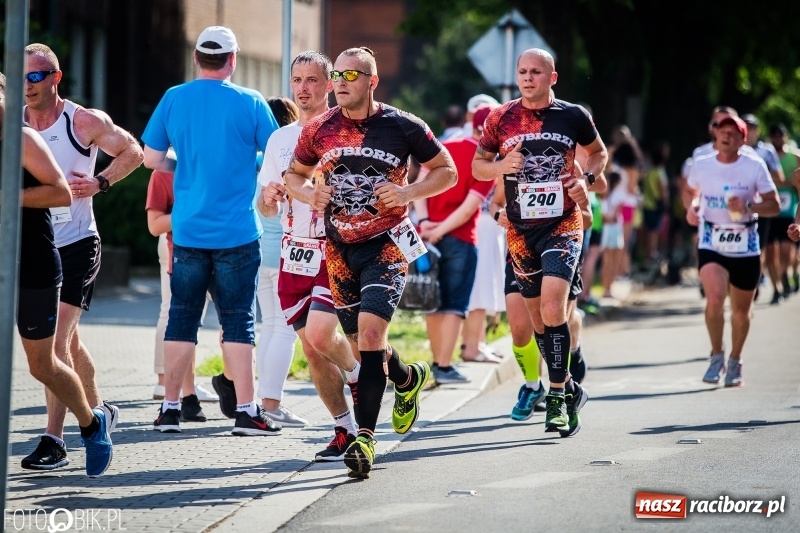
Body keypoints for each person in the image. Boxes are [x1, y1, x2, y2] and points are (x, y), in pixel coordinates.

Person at [284, 46, 457, 477]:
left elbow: (447, 170)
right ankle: (405, 377)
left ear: (372, 81)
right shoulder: (320, 128)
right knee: (366, 349)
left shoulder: (402, 126)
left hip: (386, 245)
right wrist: (309, 194)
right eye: (337, 76)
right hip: (339, 248)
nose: (341, 83)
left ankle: (365, 437)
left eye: (351, 76)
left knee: (372, 332)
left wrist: (407, 193)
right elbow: (293, 175)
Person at [141, 26, 281, 435]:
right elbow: (274, 158)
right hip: (238, 231)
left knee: (181, 319)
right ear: (233, 60)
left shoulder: (174, 98)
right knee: (238, 320)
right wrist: (245, 164)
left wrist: (188, 165)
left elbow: (151, 159)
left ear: (197, 59)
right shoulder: (251, 101)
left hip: (187, 232)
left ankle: (170, 409)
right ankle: (247, 411)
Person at [472, 48, 608, 437]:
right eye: (522, 72)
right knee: (538, 323)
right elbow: (478, 167)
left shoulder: (573, 116)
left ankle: (558, 395)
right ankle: (570, 388)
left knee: (554, 306)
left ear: (553, 77)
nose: (528, 78)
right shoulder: (500, 118)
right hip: (519, 230)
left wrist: (587, 181)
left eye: (536, 72)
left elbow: (599, 154)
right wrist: (500, 166)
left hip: (563, 223)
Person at [22, 43, 143, 469]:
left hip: (77, 244)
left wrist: (101, 182)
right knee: (70, 340)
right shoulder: (15, 125)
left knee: (56, 344)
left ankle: (54, 439)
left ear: (55, 77)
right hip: (35, 245)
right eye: (22, 78)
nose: (28, 86)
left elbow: (133, 151)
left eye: (36, 76)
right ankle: (100, 410)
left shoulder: (83, 121)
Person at [3, 71, 113, 476]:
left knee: (44, 362)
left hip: (39, 261)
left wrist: (7, 198)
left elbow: (60, 192)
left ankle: (90, 421)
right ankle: (54, 439)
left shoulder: (23, 139)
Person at [258, 51, 364, 460]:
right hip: (293, 253)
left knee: (321, 336)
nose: (303, 88)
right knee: (311, 347)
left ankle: (357, 374)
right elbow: (265, 205)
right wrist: (268, 197)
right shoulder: (279, 139)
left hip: (336, 250)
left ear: (329, 84)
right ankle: (345, 430)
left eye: (312, 80)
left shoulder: (347, 132)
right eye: (297, 80)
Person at [683, 116, 779, 387]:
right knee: (714, 298)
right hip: (711, 239)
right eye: (721, 132)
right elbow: (690, 191)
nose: (725, 136)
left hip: (746, 243)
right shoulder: (702, 165)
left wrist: (749, 207)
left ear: (742, 139)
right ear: (716, 136)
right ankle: (716, 356)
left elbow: (773, 205)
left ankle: (735, 360)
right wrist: (691, 207)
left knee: (740, 310)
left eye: (732, 133)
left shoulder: (754, 166)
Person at [414, 104, 498, 384]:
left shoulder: (447, 146)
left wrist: (426, 223)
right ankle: (444, 366)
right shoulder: (485, 164)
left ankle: (436, 363)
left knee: (432, 300)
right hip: (460, 239)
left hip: (426, 235)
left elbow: (419, 186)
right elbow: (467, 209)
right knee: (454, 304)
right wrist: (441, 230)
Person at [146, 168, 219, 424]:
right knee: (178, 319)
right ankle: (175, 391)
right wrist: (192, 211)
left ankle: (234, 393)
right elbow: (155, 225)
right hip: (181, 252)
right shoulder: (165, 171)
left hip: (224, 251)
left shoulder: (221, 157)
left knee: (231, 324)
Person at [765, 124, 799, 301]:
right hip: (770, 211)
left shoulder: (795, 157)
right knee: (770, 253)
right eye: (774, 136)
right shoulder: (765, 157)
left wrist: (788, 184)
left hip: (788, 210)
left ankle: (786, 273)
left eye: (781, 135)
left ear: (785, 137)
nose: (778, 139)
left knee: (786, 250)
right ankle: (777, 287)